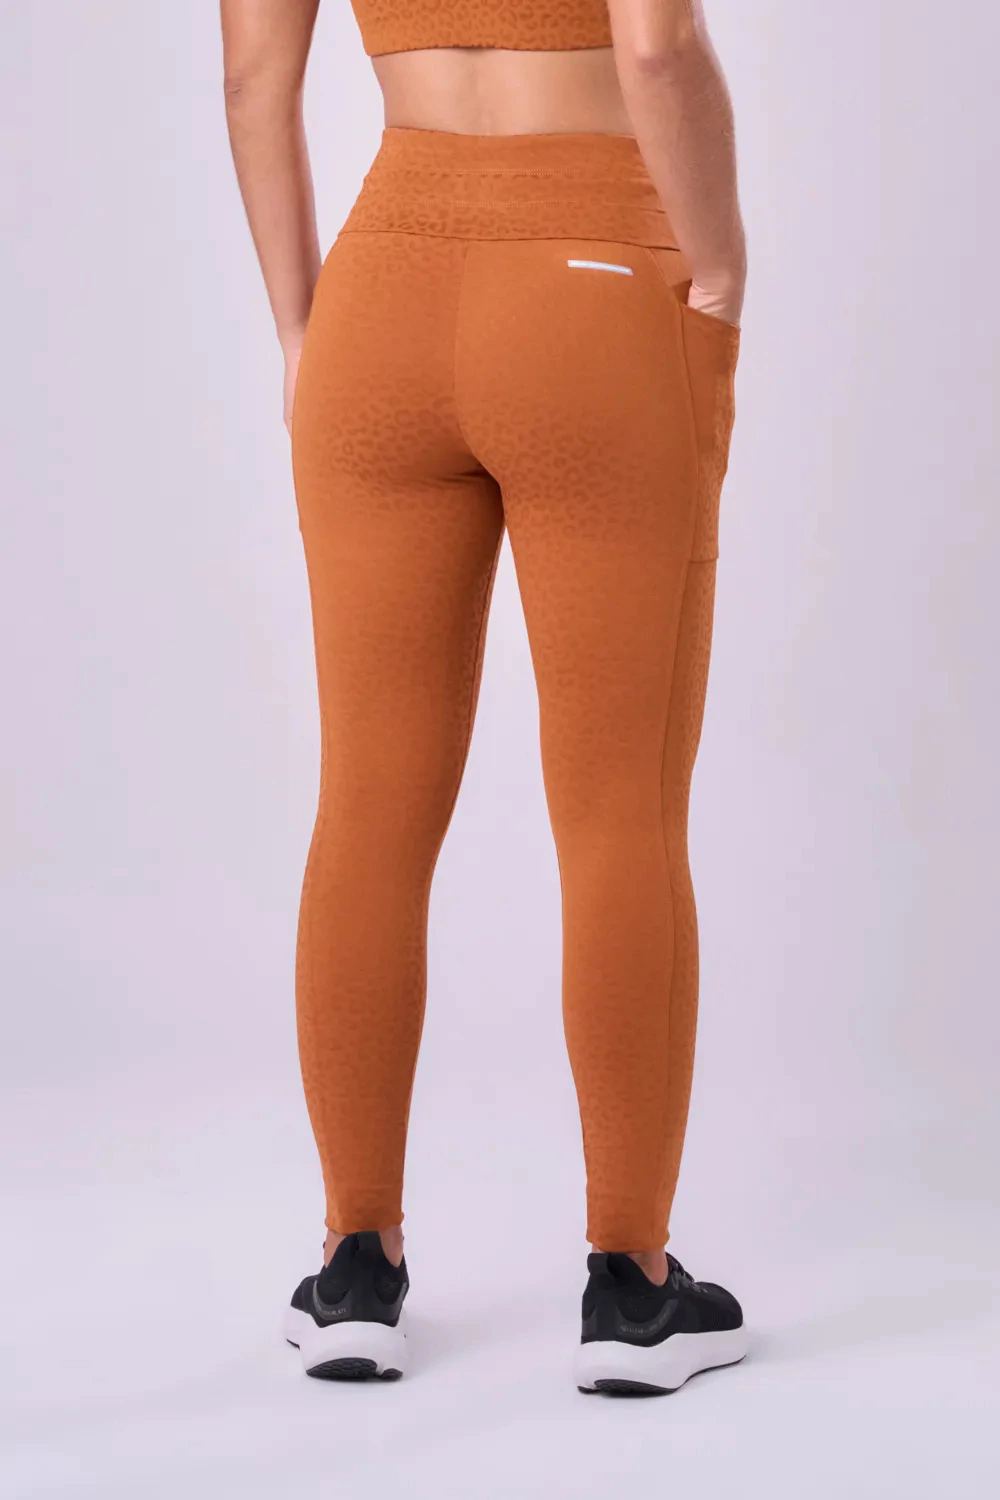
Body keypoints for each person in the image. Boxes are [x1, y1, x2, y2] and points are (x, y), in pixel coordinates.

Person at [221, 0, 748, 1394]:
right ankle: (633, 1288)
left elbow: (254, 81)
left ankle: (355, 1268)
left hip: (379, 297)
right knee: (621, 811)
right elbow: (657, 49)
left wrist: (299, 330)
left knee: (367, 807)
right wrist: (720, 266)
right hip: (597, 282)